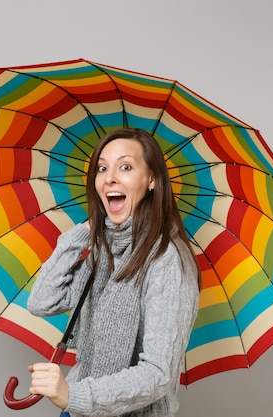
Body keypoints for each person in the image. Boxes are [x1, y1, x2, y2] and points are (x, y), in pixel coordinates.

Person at [27, 128, 200, 417]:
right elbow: (42, 301)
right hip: (78, 410)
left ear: (152, 180)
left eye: (126, 167)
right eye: (102, 168)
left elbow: (158, 374)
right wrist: (84, 231)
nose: (109, 178)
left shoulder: (167, 259)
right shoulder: (104, 249)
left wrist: (73, 394)